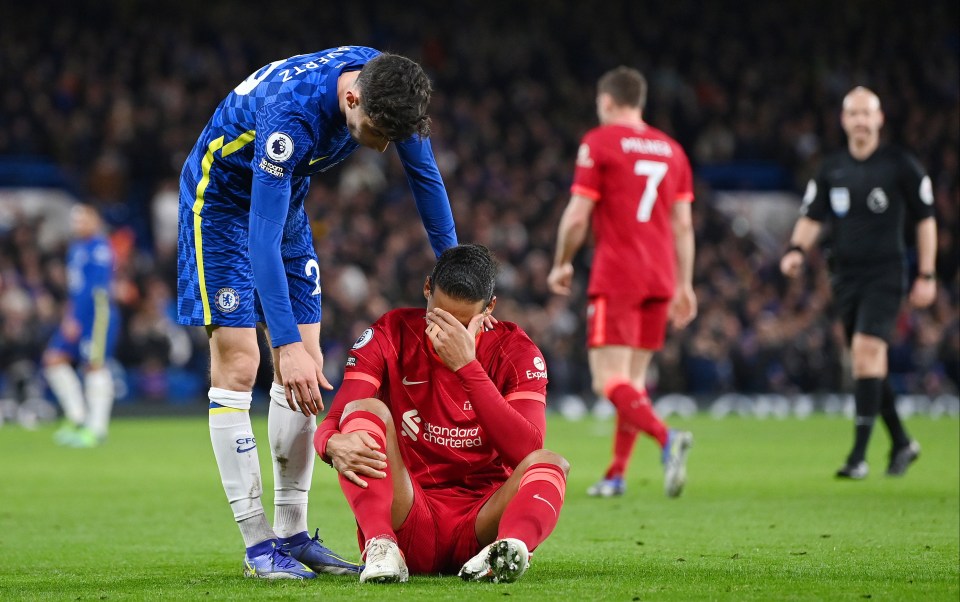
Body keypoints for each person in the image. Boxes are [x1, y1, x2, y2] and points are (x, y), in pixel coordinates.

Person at [177, 46, 458, 579]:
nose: (380, 150)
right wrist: (280, 342)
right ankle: (259, 545)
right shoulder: (293, 114)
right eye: (375, 132)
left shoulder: (390, 85)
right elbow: (260, 239)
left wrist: (455, 279)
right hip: (221, 205)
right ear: (350, 98)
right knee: (242, 365)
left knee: (307, 364)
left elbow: (425, 180)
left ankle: (292, 534)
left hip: (283, 201)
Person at [314, 244, 569, 584]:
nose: (445, 333)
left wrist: (467, 367)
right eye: (438, 316)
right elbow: (334, 420)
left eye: (462, 324)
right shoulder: (390, 333)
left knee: (551, 462)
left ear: (489, 308)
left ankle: (507, 550)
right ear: (426, 289)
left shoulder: (517, 351)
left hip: (482, 523)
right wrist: (330, 444)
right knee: (364, 410)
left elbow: (527, 451)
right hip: (408, 515)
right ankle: (381, 546)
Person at [547, 66, 696, 499]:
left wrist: (562, 263)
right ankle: (615, 473)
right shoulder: (672, 150)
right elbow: (683, 226)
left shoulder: (600, 141)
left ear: (607, 101)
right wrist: (685, 284)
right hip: (662, 275)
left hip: (618, 273)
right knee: (632, 380)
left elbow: (577, 215)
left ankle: (667, 437)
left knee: (606, 381)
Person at [780, 86, 937, 480]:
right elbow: (813, 215)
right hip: (844, 277)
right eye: (854, 114)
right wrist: (796, 249)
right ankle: (902, 441)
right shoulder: (831, 168)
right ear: (844, 120)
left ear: (880, 119)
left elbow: (926, 219)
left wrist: (927, 274)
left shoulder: (900, 164)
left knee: (866, 353)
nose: (861, 121)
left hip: (885, 274)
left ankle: (858, 457)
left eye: (868, 113)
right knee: (867, 363)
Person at [44, 204, 120, 448]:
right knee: (54, 359)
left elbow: (96, 289)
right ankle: (77, 418)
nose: (77, 224)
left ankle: (96, 429)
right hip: (77, 312)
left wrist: (77, 317)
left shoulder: (99, 247)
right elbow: (76, 289)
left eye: (82, 219)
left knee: (94, 365)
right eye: (74, 220)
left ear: (95, 221)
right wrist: (70, 313)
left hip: (98, 312)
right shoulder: (75, 248)